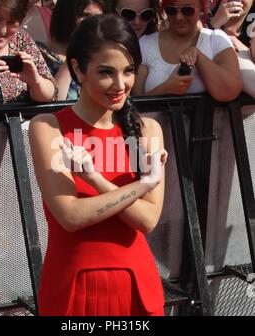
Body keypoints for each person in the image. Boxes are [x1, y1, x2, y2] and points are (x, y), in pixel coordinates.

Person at [29, 14, 167, 316]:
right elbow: (71, 216)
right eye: (106, 72)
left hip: (137, 290)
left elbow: (148, 220)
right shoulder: (48, 127)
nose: (120, 84)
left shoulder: (148, 130)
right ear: (78, 69)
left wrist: (94, 179)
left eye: (129, 71)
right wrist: (142, 185)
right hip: (73, 291)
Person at [133, 0, 243, 101]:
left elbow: (230, 91)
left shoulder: (215, 39)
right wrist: (167, 89)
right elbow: (136, 102)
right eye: (171, 10)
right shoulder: (145, 44)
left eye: (187, 10)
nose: (179, 17)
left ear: (200, 8)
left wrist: (199, 58)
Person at [37, 0, 107, 100]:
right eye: (85, 15)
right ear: (65, 15)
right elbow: (56, 102)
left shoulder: (102, 53)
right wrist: (74, 52)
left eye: (98, 17)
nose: (93, 23)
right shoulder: (38, 53)